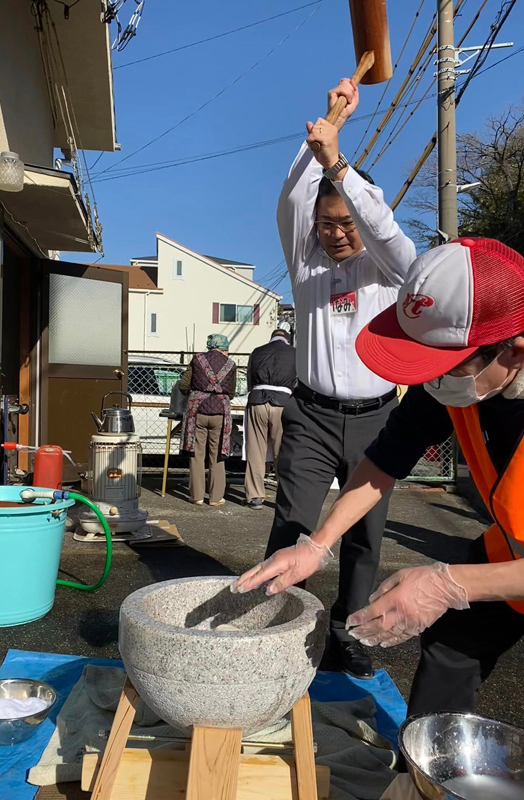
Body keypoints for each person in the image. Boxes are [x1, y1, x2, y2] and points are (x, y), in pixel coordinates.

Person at [233, 237, 524, 718]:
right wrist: (317, 543)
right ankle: (425, 779)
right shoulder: (453, 382)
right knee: (452, 645)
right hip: (518, 546)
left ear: (516, 354)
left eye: (443, 366)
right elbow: (384, 460)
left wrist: (449, 584)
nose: (430, 381)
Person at [267, 77, 416, 677]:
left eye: (348, 220)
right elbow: (292, 196)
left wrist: (343, 166)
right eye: (327, 223)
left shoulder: (388, 271)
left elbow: (397, 245)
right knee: (294, 524)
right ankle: (276, 624)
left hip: (378, 419)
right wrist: (331, 125)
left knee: (363, 539)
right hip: (311, 415)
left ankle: (347, 632)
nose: (337, 231)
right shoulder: (305, 268)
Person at [180, 334, 236, 507]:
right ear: (224, 347)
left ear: (209, 345)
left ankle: (196, 496)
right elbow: (232, 393)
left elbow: (184, 385)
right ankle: (215, 497)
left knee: (197, 454)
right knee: (217, 453)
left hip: (197, 411)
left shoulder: (197, 359)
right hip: (220, 413)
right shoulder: (231, 364)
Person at [244, 329, 296, 509]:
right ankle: (283, 496)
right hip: (283, 403)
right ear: (286, 340)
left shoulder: (257, 351)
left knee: (255, 450)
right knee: (282, 451)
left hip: (257, 399)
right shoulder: (295, 353)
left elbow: (249, 379)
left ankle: (255, 496)